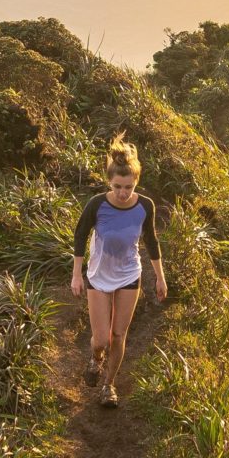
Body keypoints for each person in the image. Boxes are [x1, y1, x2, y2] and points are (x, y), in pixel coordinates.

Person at [69, 134, 167, 407]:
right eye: (118, 186)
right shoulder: (97, 204)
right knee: (100, 339)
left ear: (136, 182)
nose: (123, 193)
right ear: (109, 182)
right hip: (99, 275)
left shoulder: (145, 206)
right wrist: (77, 274)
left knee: (118, 336)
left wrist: (160, 277)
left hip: (129, 275)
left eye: (128, 186)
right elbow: (79, 236)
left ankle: (108, 386)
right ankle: (95, 358)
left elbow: (151, 241)